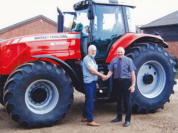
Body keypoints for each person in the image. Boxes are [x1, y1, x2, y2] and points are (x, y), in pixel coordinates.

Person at [104, 47, 136, 127]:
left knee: (127, 101)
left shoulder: (129, 61)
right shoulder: (114, 60)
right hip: (117, 82)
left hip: (126, 82)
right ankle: (119, 117)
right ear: (116, 53)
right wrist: (106, 77)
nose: (120, 53)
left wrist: (133, 85)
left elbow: (132, 73)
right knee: (118, 100)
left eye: (121, 52)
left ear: (124, 52)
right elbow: (110, 71)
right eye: (118, 52)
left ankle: (127, 120)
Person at [81, 45, 106, 126]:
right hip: (88, 83)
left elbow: (94, 71)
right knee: (90, 101)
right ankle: (90, 120)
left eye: (95, 50)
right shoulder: (86, 59)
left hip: (93, 82)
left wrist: (96, 82)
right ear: (88, 51)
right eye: (92, 50)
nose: (93, 52)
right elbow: (92, 71)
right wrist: (102, 76)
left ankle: (85, 116)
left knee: (89, 99)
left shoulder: (93, 59)